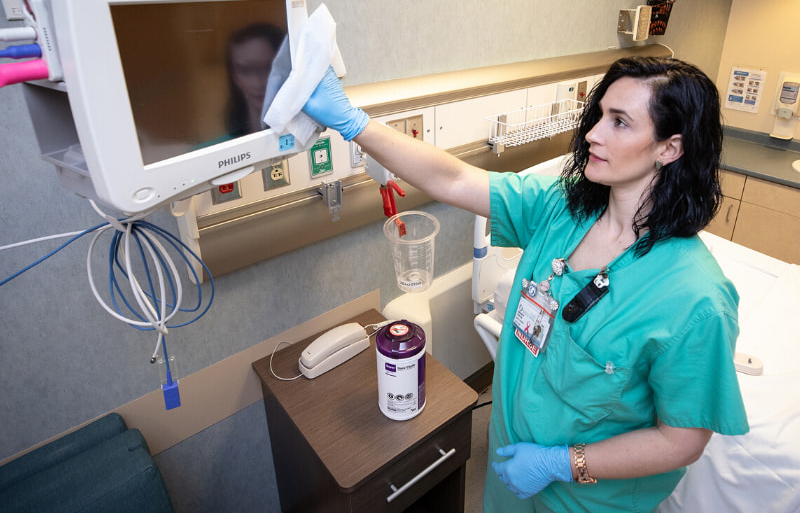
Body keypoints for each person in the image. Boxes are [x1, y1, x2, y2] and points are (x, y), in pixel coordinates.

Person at [301, 56, 749, 512]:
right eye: (599, 115)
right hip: (508, 467)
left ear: (669, 148)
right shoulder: (562, 208)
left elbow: (682, 442)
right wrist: (355, 124)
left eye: (619, 122)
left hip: (584, 500)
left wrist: (560, 463)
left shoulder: (695, 300)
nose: (593, 133)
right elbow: (453, 178)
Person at [224, 23, 286, 137]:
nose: (258, 83)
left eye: (269, 68)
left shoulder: (299, 135)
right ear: (234, 76)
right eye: (245, 70)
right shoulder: (211, 149)